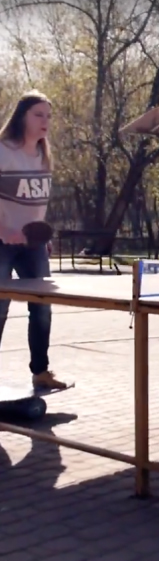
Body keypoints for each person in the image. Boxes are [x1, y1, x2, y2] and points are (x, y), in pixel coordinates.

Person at [0, 90, 68, 391]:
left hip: (33, 246)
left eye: (48, 116)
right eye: (38, 115)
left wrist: (40, 235)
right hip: (1, 243)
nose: (45, 122)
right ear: (21, 116)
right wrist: (3, 230)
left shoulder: (44, 154)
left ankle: (41, 371)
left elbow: (38, 198)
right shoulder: (2, 150)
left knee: (42, 307)